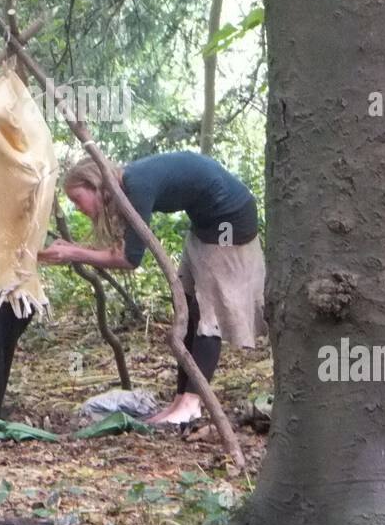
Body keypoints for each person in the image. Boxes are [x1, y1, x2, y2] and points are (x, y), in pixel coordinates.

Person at [39, 151, 265, 425]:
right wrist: (73, 248)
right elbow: (122, 249)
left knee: (209, 316)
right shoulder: (128, 185)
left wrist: (74, 253)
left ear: (95, 185)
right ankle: (181, 400)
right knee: (189, 311)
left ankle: (192, 404)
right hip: (205, 225)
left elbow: (129, 259)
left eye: (77, 199)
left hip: (229, 223)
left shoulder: (136, 186)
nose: (77, 207)